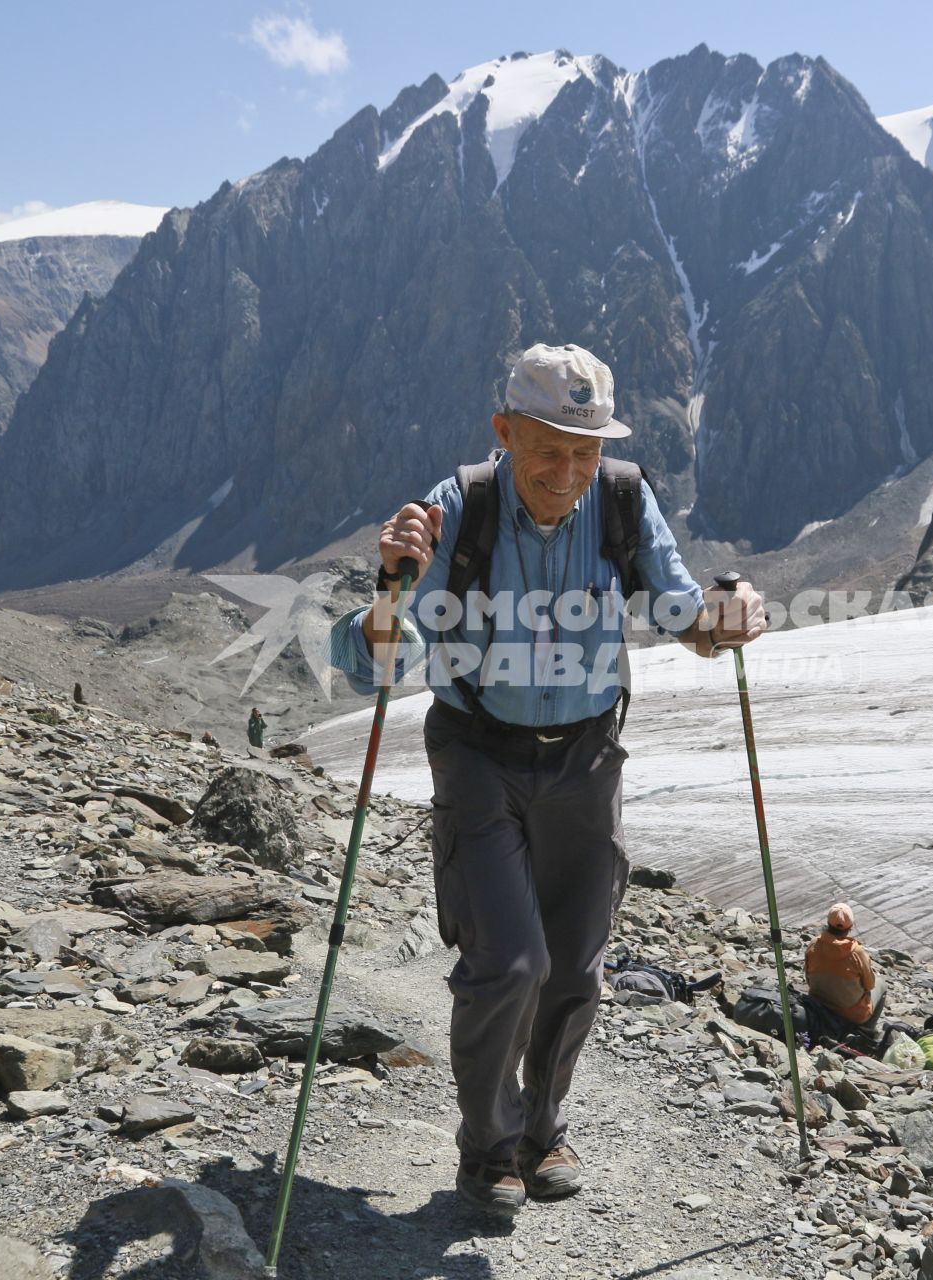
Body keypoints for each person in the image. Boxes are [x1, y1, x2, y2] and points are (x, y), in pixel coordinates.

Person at [326, 342, 767, 1214]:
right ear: (504, 430)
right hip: (479, 752)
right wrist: (389, 581)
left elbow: (681, 609)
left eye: (586, 448)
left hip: (586, 755)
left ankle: (543, 1130)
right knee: (511, 962)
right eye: (549, 447)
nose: (568, 471)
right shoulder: (455, 511)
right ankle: (488, 1148)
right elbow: (370, 658)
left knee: (574, 968)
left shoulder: (623, 499)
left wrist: (726, 620)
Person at [804, 903, 885, 1033]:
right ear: (850, 926)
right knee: (882, 984)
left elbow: (808, 978)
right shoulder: (857, 952)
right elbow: (869, 985)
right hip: (851, 1013)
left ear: (828, 923)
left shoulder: (814, 944)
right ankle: (865, 1030)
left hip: (818, 1003)